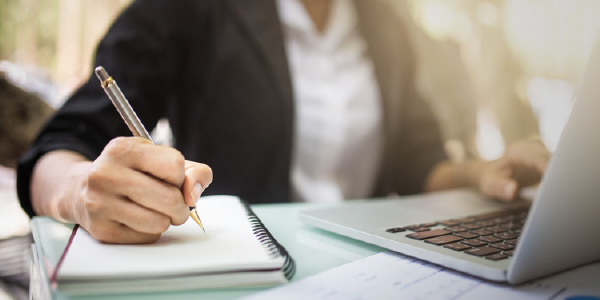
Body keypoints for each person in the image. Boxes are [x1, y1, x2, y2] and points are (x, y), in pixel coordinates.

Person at [17, 0, 550, 244]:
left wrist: (481, 174)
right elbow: (58, 147)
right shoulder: (188, 10)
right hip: (244, 271)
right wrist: (78, 192)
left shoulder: (386, 22)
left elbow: (418, 162)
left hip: (372, 268)